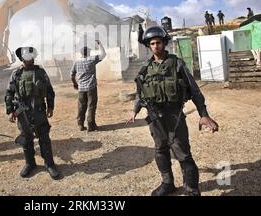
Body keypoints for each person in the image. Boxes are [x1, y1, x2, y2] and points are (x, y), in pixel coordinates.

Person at [127, 25, 219, 196]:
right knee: (160, 150)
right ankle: (167, 183)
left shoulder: (177, 64)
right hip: (155, 117)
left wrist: (204, 115)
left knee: (183, 154)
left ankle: (191, 189)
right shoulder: (145, 68)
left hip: (174, 116)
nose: (156, 46)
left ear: (164, 43)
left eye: (159, 42)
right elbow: (141, 92)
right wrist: (135, 110)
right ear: (149, 46)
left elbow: (195, 91)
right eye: (152, 43)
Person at [5, 47, 59, 179]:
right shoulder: (16, 74)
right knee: (26, 138)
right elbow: (9, 93)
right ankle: (30, 163)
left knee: (44, 137)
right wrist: (10, 111)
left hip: (39, 110)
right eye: (28, 58)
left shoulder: (40, 72)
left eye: (32, 57)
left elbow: (49, 90)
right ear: (22, 59)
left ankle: (49, 164)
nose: (30, 60)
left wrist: (50, 107)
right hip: (22, 113)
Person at [70, 40, 106, 131]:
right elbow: (103, 54)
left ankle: (80, 125)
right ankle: (91, 125)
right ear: (88, 52)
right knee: (91, 106)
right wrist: (100, 44)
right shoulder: (92, 60)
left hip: (81, 88)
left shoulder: (77, 62)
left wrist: (75, 83)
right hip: (91, 88)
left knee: (81, 106)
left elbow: (71, 74)